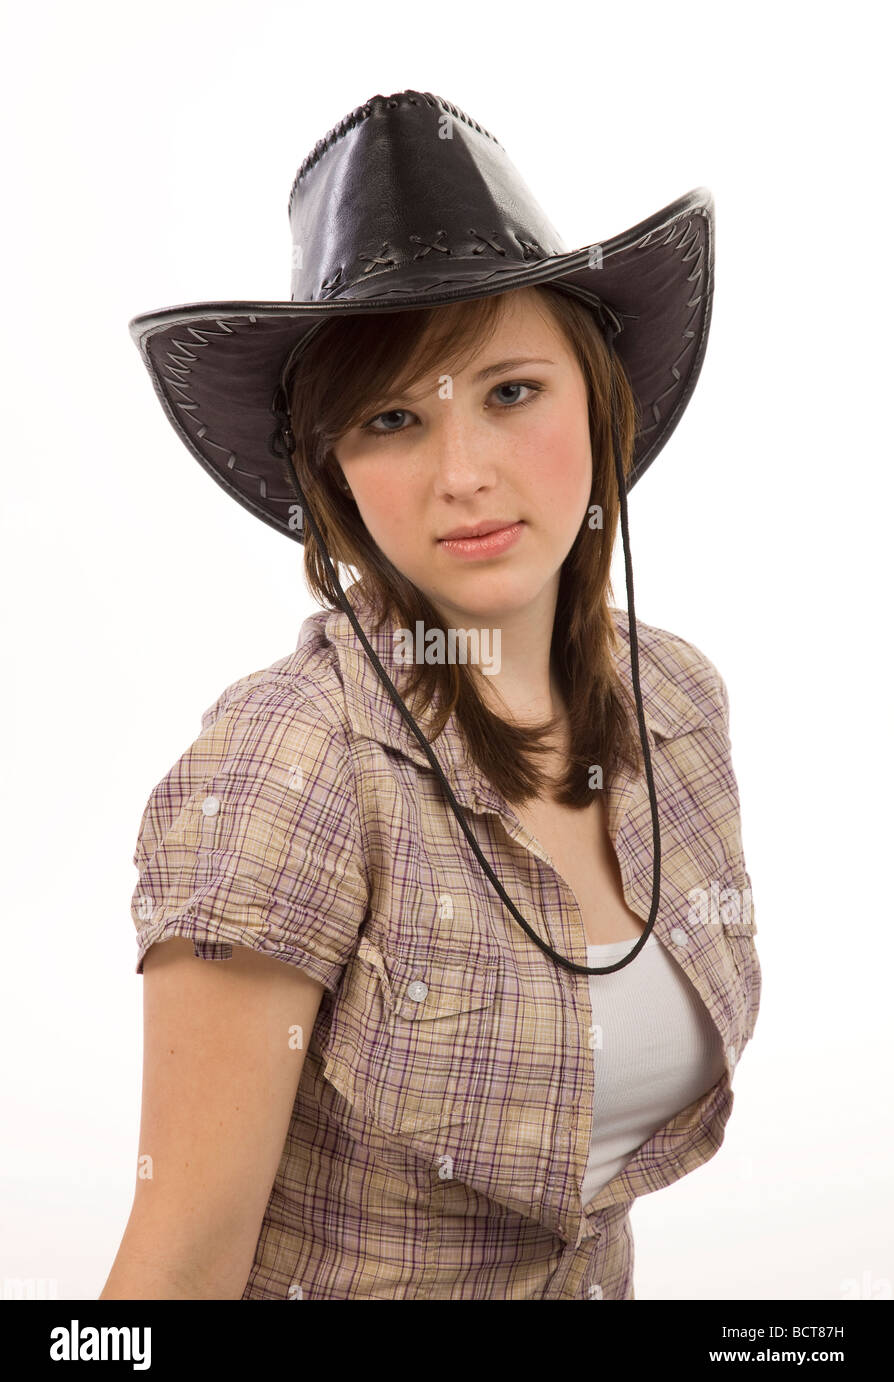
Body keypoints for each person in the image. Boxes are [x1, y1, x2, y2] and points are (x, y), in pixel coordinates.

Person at [101, 89, 761, 1300]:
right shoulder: (291, 766)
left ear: (599, 402)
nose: (464, 474)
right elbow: (175, 1270)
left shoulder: (674, 699)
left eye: (512, 392)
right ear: (337, 479)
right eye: (394, 418)